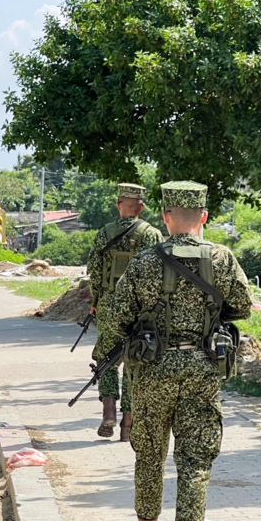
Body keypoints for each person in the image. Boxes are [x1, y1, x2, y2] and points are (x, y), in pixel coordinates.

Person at [109, 181, 253, 521]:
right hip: (203, 370)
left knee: (150, 458)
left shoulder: (143, 261)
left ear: (166, 217)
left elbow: (116, 317)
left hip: (152, 372)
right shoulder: (222, 259)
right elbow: (241, 307)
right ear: (203, 217)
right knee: (195, 461)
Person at [86, 183, 164, 439]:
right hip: (140, 310)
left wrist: (97, 301)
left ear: (119, 205)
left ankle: (109, 410)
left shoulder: (104, 233)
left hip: (109, 305)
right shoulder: (152, 235)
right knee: (134, 360)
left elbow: (95, 274)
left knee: (107, 359)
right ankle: (127, 425)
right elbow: (159, 274)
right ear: (141, 208)